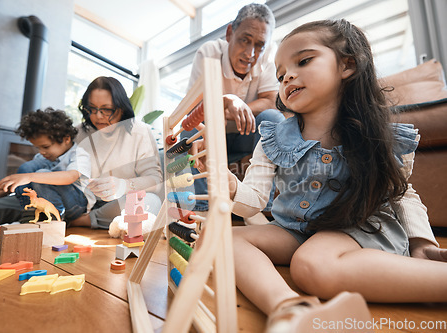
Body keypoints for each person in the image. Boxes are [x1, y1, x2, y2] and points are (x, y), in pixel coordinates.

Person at [192, 19, 447, 332]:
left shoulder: (377, 136)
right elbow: (252, 203)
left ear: (347, 65)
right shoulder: (273, 137)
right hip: (295, 230)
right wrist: (232, 187)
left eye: (303, 61)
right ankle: (289, 309)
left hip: (358, 228)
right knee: (215, 238)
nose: (288, 77)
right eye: (281, 74)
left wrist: (421, 243)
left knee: (310, 264)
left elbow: (402, 193)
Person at [183, 3, 283, 218]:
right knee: (187, 129)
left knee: (274, 118)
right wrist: (226, 102)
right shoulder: (208, 52)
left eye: (259, 45)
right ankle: (203, 208)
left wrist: (235, 105)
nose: (250, 53)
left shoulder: (267, 57)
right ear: (230, 33)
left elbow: (270, 102)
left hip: (245, 135)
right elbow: (194, 110)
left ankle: (264, 208)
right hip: (210, 134)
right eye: (244, 40)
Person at [0, 108, 90, 231]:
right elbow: (27, 176)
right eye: (38, 147)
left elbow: (70, 176)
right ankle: (27, 211)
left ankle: (54, 219)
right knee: (27, 167)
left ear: (66, 139)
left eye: (45, 147)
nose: (42, 151)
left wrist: (30, 177)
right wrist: (0, 187)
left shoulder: (79, 153)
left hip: (75, 205)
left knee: (39, 174)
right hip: (43, 201)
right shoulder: (43, 156)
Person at [69, 76, 163, 229]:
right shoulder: (79, 132)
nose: (98, 116)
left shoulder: (141, 132)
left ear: (122, 108)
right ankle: (89, 218)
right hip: (82, 202)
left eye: (106, 110)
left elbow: (155, 180)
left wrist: (124, 185)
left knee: (150, 201)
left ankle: (85, 220)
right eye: (92, 108)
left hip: (119, 202)